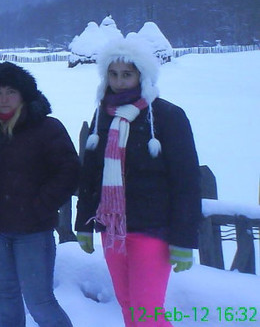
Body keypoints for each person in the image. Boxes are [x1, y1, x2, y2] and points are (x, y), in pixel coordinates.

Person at [75, 34, 201, 327]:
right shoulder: (101, 116)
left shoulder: (168, 116)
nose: (119, 82)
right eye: (113, 74)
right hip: (113, 230)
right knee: (129, 307)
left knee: (147, 313)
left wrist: (183, 239)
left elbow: (186, 181)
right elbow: (91, 175)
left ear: (142, 75)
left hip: (152, 229)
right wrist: (84, 224)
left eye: (127, 74)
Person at [0, 62, 78, 327]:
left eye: (11, 91)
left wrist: (41, 205)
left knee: (39, 301)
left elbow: (68, 172)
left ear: (23, 94)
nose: (4, 99)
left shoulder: (46, 128)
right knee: (5, 295)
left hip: (32, 231)